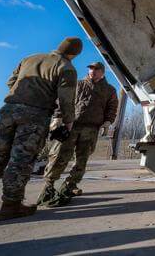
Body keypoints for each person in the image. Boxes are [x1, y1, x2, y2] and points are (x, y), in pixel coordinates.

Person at [0, 37, 82, 220]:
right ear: (75, 54)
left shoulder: (30, 58)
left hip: (8, 110)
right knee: (20, 160)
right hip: (34, 115)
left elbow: (11, 82)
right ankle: (11, 205)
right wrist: (68, 121)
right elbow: (66, 99)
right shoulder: (66, 68)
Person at [39, 61, 118, 205]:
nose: (93, 71)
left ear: (103, 72)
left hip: (91, 129)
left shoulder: (109, 90)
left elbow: (112, 108)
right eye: (91, 68)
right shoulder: (78, 84)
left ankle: (70, 185)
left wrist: (108, 122)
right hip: (70, 126)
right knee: (59, 157)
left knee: (82, 160)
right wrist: (57, 116)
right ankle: (48, 187)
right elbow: (63, 100)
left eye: (96, 69)